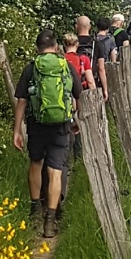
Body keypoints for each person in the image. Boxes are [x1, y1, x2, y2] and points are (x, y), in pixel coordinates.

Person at [13, 29, 82, 238]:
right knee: (55, 172)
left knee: (36, 164)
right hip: (61, 127)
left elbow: (22, 101)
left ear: (37, 48)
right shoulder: (66, 67)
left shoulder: (31, 68)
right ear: (55, 46)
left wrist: (17, 130)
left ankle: (35, 211)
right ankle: (50, 222)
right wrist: (73, 117)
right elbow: (77, 97)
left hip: (36, 126)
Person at [75, 15, 109, 101]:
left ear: (76, 26)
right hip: (92, 82)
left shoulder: (71, 43)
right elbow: (101, 68)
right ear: (90, 27)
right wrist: (105, 89)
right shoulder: (96, 43)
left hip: (74, 82)